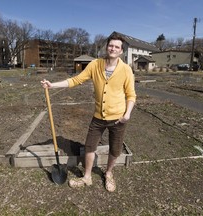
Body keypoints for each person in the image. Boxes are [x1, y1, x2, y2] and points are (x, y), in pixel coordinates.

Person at [41, 33, 136, 192]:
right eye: (110, 45)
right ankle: (87, 177)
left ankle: (109, 173)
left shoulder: (126, 70)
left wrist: (127, 114)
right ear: (107, 47)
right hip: (98, 117)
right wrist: (52, 85)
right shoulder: (95, 65)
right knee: (90, 147)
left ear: (121, 51)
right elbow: (76, 80)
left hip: (118, 118)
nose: (113, 48)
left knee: (115, 149)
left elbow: (131, 95)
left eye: (116, 47)